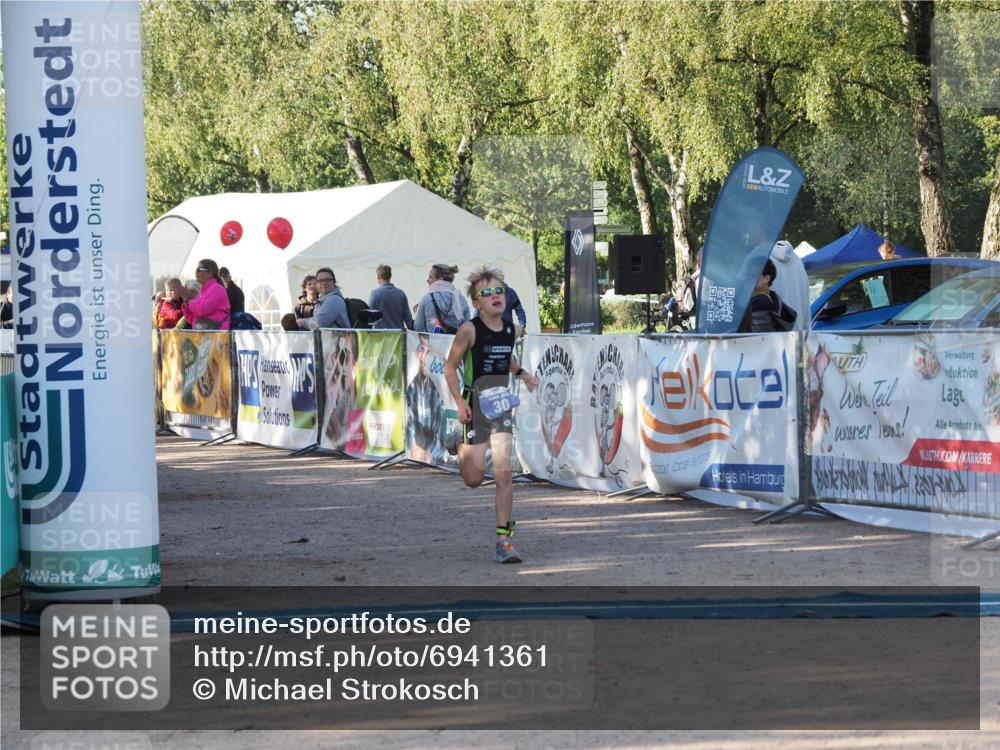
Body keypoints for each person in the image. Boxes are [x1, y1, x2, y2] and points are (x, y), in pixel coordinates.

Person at [444, 266, 539, 564]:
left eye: (500, 290)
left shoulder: (510, 329)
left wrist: (523, 374)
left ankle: (504, 541)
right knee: (473, 479)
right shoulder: (469, 330)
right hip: (474, 402)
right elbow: (450, 368)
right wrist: (460, 402)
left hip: (500, 404)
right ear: (477, 303)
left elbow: (505, 357)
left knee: (503, 474)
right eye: (487, 293)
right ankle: (458, 444)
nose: (495, 296)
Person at [405, 334, 446, 464]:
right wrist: (414, 449)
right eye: (421, 349)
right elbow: (408, 426)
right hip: (414, 455)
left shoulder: (436, 391)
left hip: (430, 456)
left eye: (428, 352)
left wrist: (429, 453)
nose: (423, 357)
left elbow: (439, 432)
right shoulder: (411, 387)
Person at [738, 259, 797, 333]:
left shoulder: (759, 301)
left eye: (753, 275)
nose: (747, 278)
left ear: (766, 279)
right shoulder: (771, 298)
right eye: (746, 274)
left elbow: (753, 334)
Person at [171, 259, 231, 330]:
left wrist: (189, 301)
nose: (196, 272)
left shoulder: (217, 289)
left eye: (199, 270)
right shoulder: (203, 292)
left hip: (215, 334)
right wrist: (185, 303)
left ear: (209, 273)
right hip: (203, 333)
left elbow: (202, 310)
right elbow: (191, 319)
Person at [414, 263, 470, 333]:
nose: (427, 280)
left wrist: (418, 314)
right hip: (455, 339)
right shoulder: (461, 299)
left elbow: (418, 328)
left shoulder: (426, 299)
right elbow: (467, 329)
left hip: (433, 340)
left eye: (430, 277)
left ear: (440, 278)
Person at [768, 240, 810, 331]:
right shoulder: (798, 261)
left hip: (768, 336)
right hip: (797, 334)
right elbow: (805, 302)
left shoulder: (759, 259)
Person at [368, 264, 414, 330]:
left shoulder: (374, 294)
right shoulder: (401, 294)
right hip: (399, 335)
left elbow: (369, 318)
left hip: (381, 336)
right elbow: (408, 320)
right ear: (390, 276)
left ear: (378, 277)